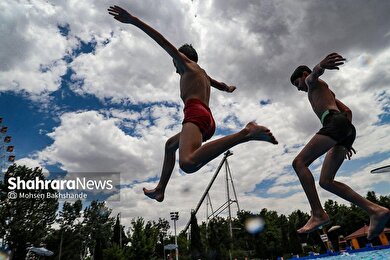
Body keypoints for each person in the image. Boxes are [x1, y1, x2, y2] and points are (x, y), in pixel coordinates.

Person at [108, 5, 278, 202]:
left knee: (187, 163)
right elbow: (218, 84)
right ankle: (160, 189)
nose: (174, 65)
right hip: (206, 119)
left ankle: (245, 133)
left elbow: (162, 41)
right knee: (170, 145)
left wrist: (133, 20)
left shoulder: (185, 63)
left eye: (176, 60)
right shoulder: (202, 73)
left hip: (195, 114)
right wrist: (227, 88)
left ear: (183, 57)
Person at [290, 53, 390, 239]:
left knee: (299, 163)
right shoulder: (328, 93)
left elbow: (313, 76)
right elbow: (347, 111)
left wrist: (320, 65)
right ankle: (375, 210)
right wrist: (344, 138)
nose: (299, 89)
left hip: (334, 123)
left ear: (304, 75)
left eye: (297, 84)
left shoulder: (312, 83)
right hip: (344, 128)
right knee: (326, 181)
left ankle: (318, 213)